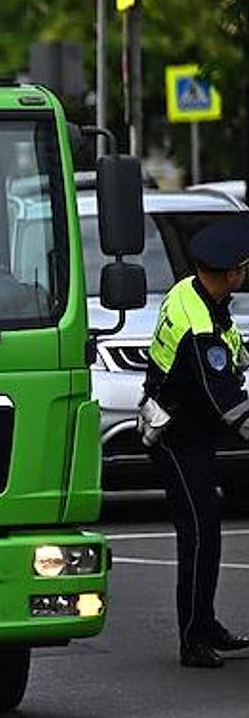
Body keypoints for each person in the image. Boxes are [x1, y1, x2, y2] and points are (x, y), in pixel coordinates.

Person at [141, 217, 249, 668]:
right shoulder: (198, 327)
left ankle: (205, 624)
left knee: (207, 533)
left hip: (190, 431)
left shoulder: (191, 290)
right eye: (244, 268)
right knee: (200, 536)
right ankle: (193, 640)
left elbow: (235, 355)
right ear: (230, 273)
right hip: (177, 437)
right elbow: (226, 402)